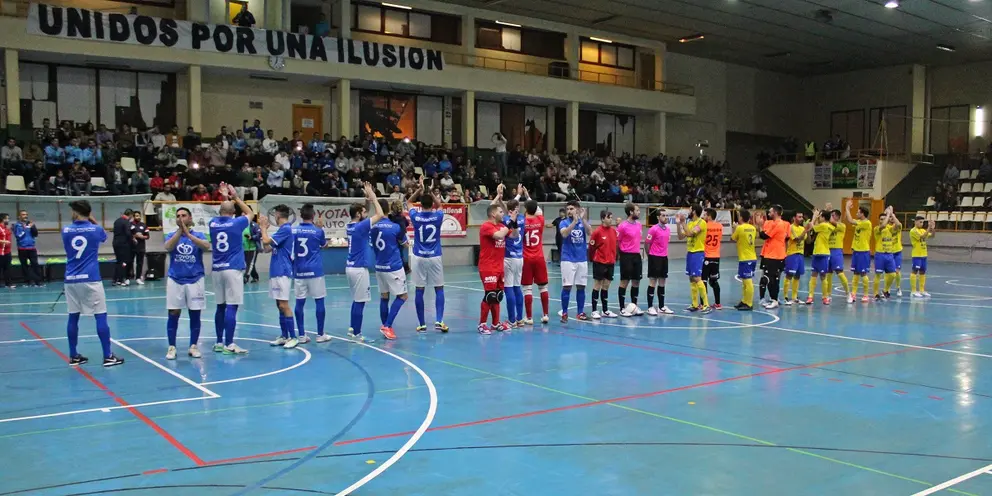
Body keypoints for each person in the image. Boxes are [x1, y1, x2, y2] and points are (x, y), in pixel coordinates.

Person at [62, 200, 124, 367]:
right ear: (89, 213)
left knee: (73, 316)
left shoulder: (65, 230)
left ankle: (74, 355)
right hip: (90, 278)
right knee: (100, 315)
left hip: (71, 279)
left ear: (75, 212)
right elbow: (104, 236)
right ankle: (108, 356)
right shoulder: (95, 229)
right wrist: (92, 220)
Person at [208, 183, 253, 354]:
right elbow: (250, 212)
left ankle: (219, 342)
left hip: (217, 269)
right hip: (233, 268)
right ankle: (230, 344)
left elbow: (225, 213)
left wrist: (225, 198)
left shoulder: (213, 223)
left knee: (220, 306)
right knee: (232, 307)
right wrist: (234, 196)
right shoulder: (237, 223)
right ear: (234, 214)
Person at [163, 207, 210, 359]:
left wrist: (189, 234)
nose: (180, 218)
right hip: (175, 279)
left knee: (195, 313)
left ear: (190, 218)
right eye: (178, 216)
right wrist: (180, 232)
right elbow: (168, 247)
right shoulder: (171, 235)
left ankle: (194, 345)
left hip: (195, 279)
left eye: (183, 215)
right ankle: (171, 347)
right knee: (173, 313)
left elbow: (206, 246)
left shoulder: (199, 235)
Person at [345, 183, 386, 342]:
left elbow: (366, 212)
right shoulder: (362, 226)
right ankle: (357, 334)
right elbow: (380, 214)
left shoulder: (352, 225)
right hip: (359, 269)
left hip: (350, 267)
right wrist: (375, 198)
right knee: (361, 302)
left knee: (356, 300)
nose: (366, 213)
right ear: (358, 214)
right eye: (363, 212)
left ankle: (352, 328)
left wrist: (367, 199)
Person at [407, 178, 448, 332]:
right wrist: (429, 190)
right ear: (431, 204)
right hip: (435, 256)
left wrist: (419, 189)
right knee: (439, 288)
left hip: (419, 256)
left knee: (419, 289)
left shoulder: (415, 217)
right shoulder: (437, 216)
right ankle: (439, 321)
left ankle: (422, 323)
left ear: (421, 205)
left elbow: (409, 202)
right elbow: (440, 205)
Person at [259, 204, 299, 348]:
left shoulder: (286, 229)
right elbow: (267, 247)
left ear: (278, 215)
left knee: (284, 304)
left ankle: (293, 337)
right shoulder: (282, 231)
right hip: (275, 271)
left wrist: (264, 229)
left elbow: (266, 241)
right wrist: (262, 232)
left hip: (283, 271)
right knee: (279, 305)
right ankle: (284, 336)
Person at [292, 204, 331, 343]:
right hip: (315, 271)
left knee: (299, 302)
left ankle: (301, 335)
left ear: (301, 216)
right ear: (313, 216)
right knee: (319, 300)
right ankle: (320, 334)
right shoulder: (317, 231)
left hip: (299, 271)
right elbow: (324, 245)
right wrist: (320, 228)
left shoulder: (294, 230)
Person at [371, 199, 408, 341]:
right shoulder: (395, 227)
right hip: (393, 267)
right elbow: (405, 244)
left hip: (379, 266)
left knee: (384, 296)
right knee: (403, 296)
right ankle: (387, 325)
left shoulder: (373, 227)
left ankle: (385, 325)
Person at [478, 202, 510, 334]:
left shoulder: (502, 226)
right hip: (488, 266)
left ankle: (495, 323)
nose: (503, 214)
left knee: (498, 295)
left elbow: (513, 235)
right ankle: (482, 324)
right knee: (490, 295)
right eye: (501, 212)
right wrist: (509, 225)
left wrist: (513, 224)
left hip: (499, 266)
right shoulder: (486, 226)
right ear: (493, 214)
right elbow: (499, 235)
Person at [495, 186, 524, 327]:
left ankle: (511, 320)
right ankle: (520, 318)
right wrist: (517, 195)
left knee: (509, 288)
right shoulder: (522, 218)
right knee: (518, 287)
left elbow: (506, 213)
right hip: (520, 257)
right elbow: (511, 209)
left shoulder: (506, 220)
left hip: (508, 257)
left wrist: (499, 199)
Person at [559, 200, 590, 322]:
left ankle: (580, 312)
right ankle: (565, 313)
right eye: (568, 209)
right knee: (567, 287)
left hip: (581, 259)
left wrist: (584, 219)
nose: (569, 211)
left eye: (571, 209)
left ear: (577, 209)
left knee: (581, 286)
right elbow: (564, 234)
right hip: (568, 259)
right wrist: (574, 222)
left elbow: (589, 232)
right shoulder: (563, 222)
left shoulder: (582, 222)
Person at [677, 205, 711, 314]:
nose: (688, 211)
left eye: (690, 209)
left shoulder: (702, 223)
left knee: (697, 277)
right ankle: (695, 304)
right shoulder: (690, 223)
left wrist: (683, 223)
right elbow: (681, 236)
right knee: (691, 278)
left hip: (698, 252)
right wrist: (679, 224)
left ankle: (706, 304)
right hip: (690, 252)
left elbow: (691, 233)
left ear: (694, 211)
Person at [521, 198, 550, 324]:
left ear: (526, 209)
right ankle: (545, 315)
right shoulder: (540, 220)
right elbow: (538, 210)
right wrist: (529, 197)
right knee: (543, 287)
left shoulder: (522, 222)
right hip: (539, 257)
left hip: (526, 258)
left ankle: (529, 317)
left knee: (527, 288)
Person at [757, 204, 789, 309]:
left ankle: (774, 299)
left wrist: (760, 225)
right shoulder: (776, 223)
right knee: (772, 278)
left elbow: (764, 236)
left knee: (771, 278)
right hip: (773, 255)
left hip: (775, 256)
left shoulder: (778, 224)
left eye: (770, 212)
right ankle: (773, 299)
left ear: (775, 212)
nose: (769, 213)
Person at [616, 203, 644, 316]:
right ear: (631, 212)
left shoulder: (639, 225)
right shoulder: (622, 226)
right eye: (637, 210)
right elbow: (618, 242)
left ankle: (634, 306)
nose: (639, 212)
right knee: (624, 281)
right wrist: (619, 255)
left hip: (636, 256)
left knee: (636, 281)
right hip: (626, 256)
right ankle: (622, 308)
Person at [645, 210, 674, 315]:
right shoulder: (653, 229)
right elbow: (647, 244)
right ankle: (650, 307)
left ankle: (661, 307)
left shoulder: (668, 229)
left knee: (662, 281)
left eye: (666, 215)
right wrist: (651, 256)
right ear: (658, 217)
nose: (665, 217)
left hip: (664, 258)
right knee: (653, 281)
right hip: (654, 257)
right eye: (663, 215)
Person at [590, 210, 618, 319]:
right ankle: (594, 310)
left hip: (610, 262)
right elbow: (592, 247)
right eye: (609, 217)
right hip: (599, 262)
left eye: (611, 217)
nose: (611, 219)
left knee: (606, 286)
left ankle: (605, 310)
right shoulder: (597, 232)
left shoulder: (614, 231)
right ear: (602, 219)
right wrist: (592, 259)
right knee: (597, 285)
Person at [845, 200, 873, 303]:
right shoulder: (860, 222)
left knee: (863, 273)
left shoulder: (866, 223)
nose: (856, 213)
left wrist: (847, 208)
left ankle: (866, 295)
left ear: (862, 214)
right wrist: (847, 210)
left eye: (858, 212)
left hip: (863, 251)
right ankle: (854, 293)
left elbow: (851, 220)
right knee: (855, 273)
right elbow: (848, 220)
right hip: (856, 251)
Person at [807, 209, 836, 305]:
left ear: (824, 217)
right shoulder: (829, 226)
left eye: (820, 216)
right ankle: (813, 297)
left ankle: (823, 297)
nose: (819, 218)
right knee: (815, 275)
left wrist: (814, 216)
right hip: (818, 253)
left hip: (822, 253)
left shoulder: (824, 226)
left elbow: (811, 226)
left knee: (821, 276)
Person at [731, 210, 758, 311]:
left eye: (739, 216)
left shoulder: (740, 228)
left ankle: (749, 303)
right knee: (744, 281)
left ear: (741, 218)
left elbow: (733, 238)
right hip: (751, 257)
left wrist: (734, 228)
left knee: (748, 281)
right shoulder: (753, 228)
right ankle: (744, 301)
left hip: (745, 258)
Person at [826, 204, 853, 303]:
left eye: (833, 215)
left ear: (837, 217)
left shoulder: (842, 226)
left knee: (839, 273)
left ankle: (848, 294)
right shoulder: (828, 225)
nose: (832, 217)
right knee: (828, 274)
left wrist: (828, 211)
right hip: (827, 250)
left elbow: (832, 221)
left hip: (836, 251)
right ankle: (828, 295)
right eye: (831, 215)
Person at [873, 207, 901, 301]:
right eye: (881, 219)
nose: (882, 221)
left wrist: (892, 214)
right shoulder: (877, 228)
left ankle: (885, 290)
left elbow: (898, 225)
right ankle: (876, 293)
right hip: (880, 254)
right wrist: (887, 215)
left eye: (883, 219)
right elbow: (883, 225)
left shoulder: (890, 229)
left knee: (893, 274)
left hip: (889, 254)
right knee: (878, 274)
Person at [783, 211, 809, 305]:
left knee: (797, 276)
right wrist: (806, 230)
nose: (801, 218)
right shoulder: (790, 227)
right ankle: (785, 297)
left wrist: (808, 230)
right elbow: (797, 240)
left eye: (802, 217)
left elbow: (807, 240)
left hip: (800, 255)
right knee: (789, 275)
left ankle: (794, 297)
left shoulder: (802, 228)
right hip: (792, 254)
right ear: (794, 218)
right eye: (799, 217)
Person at [702, 208, 723, 310]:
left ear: (709, 216)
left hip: (706, 256)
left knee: (703, 280)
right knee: (714, 281)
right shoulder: (719, 226)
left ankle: (703, 303)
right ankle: (718, 303)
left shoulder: (704, 226)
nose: (703, 217)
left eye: (705, 215)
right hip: (716, 256)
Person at [14, 210, 41, 287]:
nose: (25, 216)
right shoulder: (17, 225)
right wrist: (25, 229)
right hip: (22, 248)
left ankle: (38, 282)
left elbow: (35, 234)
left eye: (26, 214)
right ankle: (28, 282)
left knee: (35, 264)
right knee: (24, 266)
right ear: (19, 216)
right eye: (23, 214)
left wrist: (33, 227)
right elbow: (18, 236)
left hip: (31, 248)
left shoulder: (30, 224)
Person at [910, 215, 934, 298]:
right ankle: (913, 291)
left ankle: (922, 290)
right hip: (917, 254)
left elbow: (932, 236)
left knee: (922, 271)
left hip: (924, 254)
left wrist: (933, 228)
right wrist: (928, 228)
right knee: (914, 271)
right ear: (915, 222)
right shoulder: (913, 231)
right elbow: (923, 236)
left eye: (923, 222)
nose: (922, 224)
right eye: (920, 222)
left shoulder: (923, 230)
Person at [111, 209, 134, 287]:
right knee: (124, 262)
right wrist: (133, 239)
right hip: (123, 244)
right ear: (130, 215)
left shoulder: (117, 221)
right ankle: (121, 280)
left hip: (115, 243)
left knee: (119, 261)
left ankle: (115, 279)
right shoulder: (126, 221)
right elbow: (128, 233)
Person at [888, 212, 905, 297]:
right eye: (890, 217)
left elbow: (898, 224)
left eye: (892, 217)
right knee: (889, 272)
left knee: (897, 271)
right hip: (889, 252)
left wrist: (893, 215)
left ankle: (898, 287)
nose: (891, 218)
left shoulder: (898, 226)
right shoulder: (886, 227)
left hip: (897, 252)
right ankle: (887, 288)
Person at [130, 211, 149, 285]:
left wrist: (142, 236)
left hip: (141, 248)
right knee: (129, 262)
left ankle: (138, 278)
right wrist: (135, 236)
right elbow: (128, 235)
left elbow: (147, 236)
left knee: (140, 263)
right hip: (131, 247)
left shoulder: (144, 225)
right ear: (134, 217)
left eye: (139, 216)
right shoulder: (130, 224)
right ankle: (128, 278)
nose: (138, 217)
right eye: (136, 216)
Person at [242, 215, 262, 284]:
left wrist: (251, 237)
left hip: (253, 248)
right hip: (243, 248)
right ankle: (255, 277)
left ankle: (246, 277)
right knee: (249, 264)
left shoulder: (254, 225)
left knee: (251, 263)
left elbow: (259, 234)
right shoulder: (240, 225)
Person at [0, 213, 12, 289]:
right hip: (0, 252)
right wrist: (4, 242)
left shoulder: (6, 228)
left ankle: (8, 284)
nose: (8, 220)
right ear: (3, 219)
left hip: (7, 252)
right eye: (7, 218)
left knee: (7, 268)